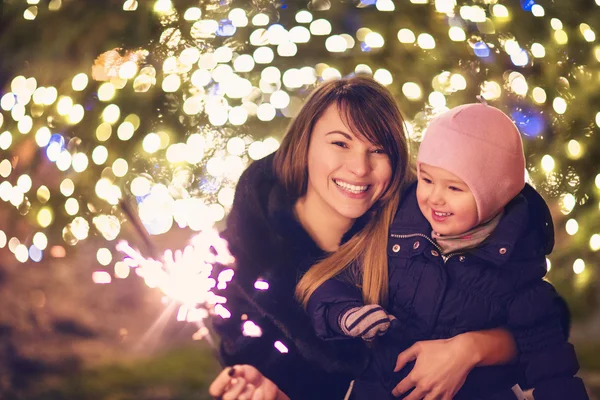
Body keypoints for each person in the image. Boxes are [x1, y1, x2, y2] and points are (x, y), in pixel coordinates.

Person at [209, 78, 519, 400]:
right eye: (341, 144)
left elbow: (532, 327)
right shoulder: (244, 258)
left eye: (378, 150)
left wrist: (467, 350)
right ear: (305, 144)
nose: (359, 168)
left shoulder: (422, 230)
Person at [304, 103, 588, 399]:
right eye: (426, 180)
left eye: (454, 188)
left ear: (495, 195)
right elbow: (334, 280)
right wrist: (345, 313)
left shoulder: (517, 265)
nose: (434, 198)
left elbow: (551, 363)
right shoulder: (395, 229)